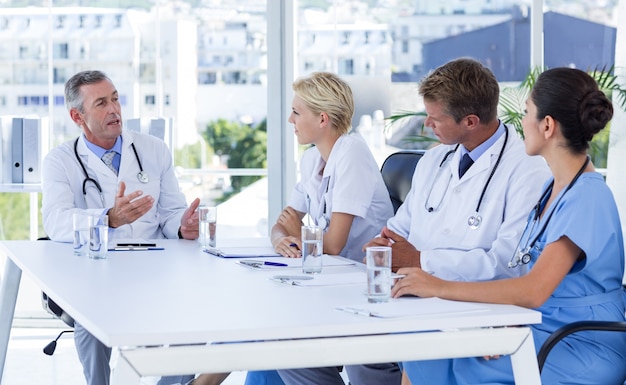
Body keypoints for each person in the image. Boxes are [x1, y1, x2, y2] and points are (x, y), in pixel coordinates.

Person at [276, 58, 551, 385]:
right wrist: (384, 246)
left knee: (365, 355)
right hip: (410, 294)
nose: (426, 126)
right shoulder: (435, 159)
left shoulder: (527, 170)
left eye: (435, 119)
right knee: (292, 350)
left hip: (469, 303)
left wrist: (421, 260)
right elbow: (398, 230)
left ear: (470, 121)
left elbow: (509, 263)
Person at [394, 66, 626, 385]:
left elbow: (533, 290)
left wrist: (438, 285)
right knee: (425, 353)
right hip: (539, 326)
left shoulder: (586, 196)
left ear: (547, 126)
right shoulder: (554, 188)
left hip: (579, 343)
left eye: (527, 112)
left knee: (440, 359)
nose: (519, 124)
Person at [190, 72, 394, 385]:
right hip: (327, 282)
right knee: (262, 317)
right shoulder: (312, 159)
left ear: (323, 118)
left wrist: (296, 235)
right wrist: (285, 238)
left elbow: (335, 244)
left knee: (268, 324)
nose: (290, 119)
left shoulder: (352, 153)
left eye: (297, 112)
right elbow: (281, 225)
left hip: (358, 290)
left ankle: (201, 383)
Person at [41, 70, 200, 385]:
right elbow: (55, 221)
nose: (114, 109)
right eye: (101, 103)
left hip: (155, 267)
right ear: (77, 116)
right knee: (89, 322)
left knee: (191, 323)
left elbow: (170, 212)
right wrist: (108, 219)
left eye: (115, 99)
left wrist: (183, 226)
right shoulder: (59, 161)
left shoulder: (153, 149)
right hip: (99, 272)